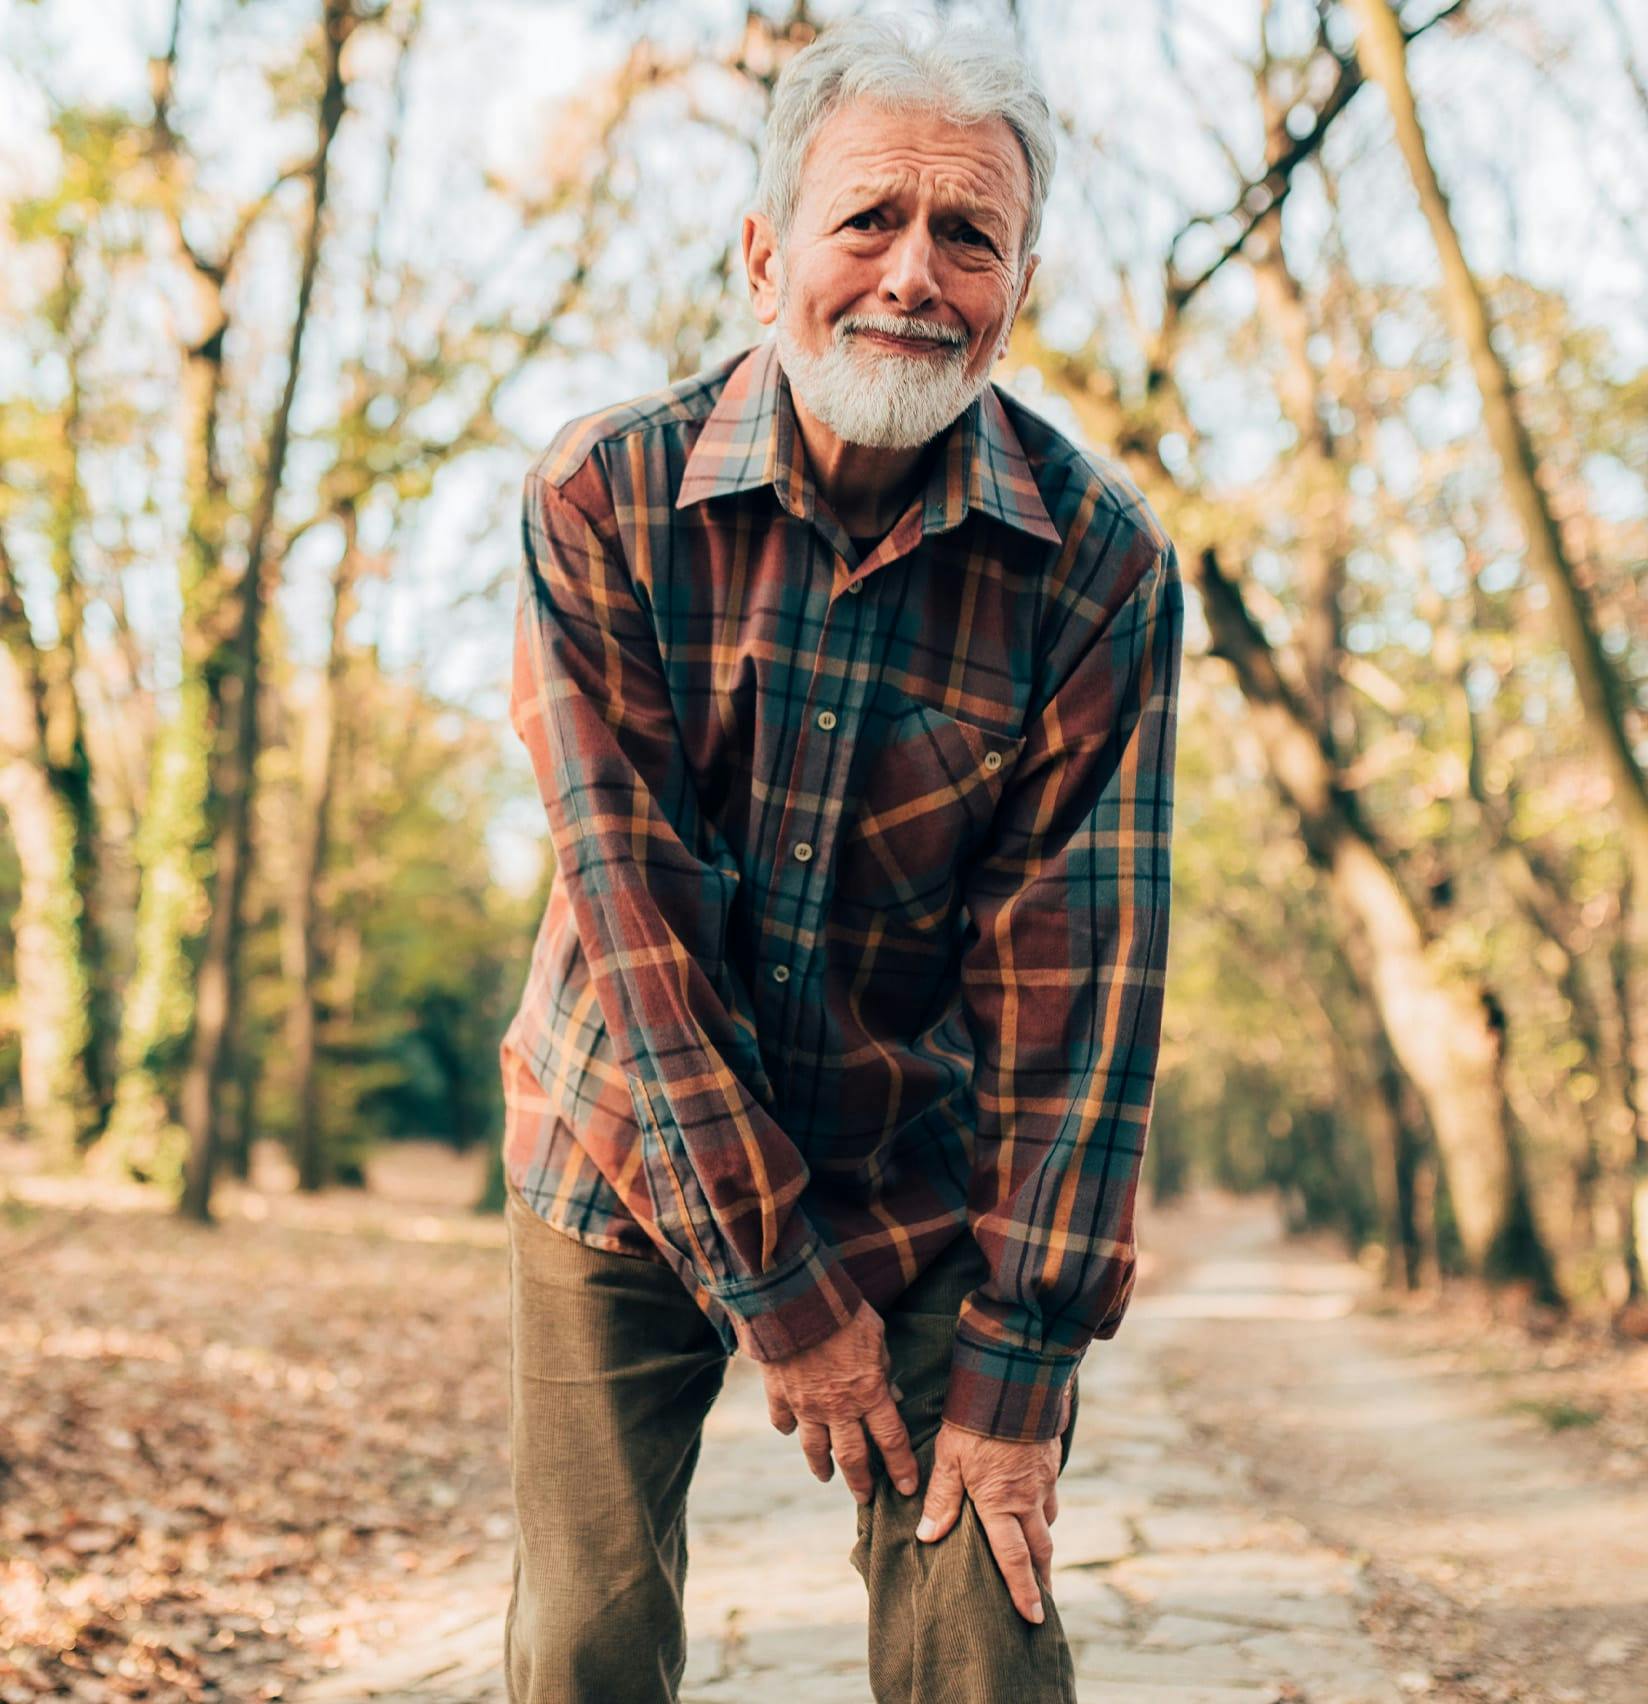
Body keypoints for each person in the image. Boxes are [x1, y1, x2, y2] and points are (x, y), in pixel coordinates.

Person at [499, 14, 1184, 1701]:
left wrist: (1023, 1358)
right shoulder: (606, 498)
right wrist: (782, 1294)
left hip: (927, 1164)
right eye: (868, 219)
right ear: (764, 255)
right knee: (584, 1637)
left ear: (1020, 283)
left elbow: (1081, 997)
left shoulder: (1099, 571)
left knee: (985, 1631)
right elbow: (634, 929)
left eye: (971, 234)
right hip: (631, 1140)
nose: (912, 274)